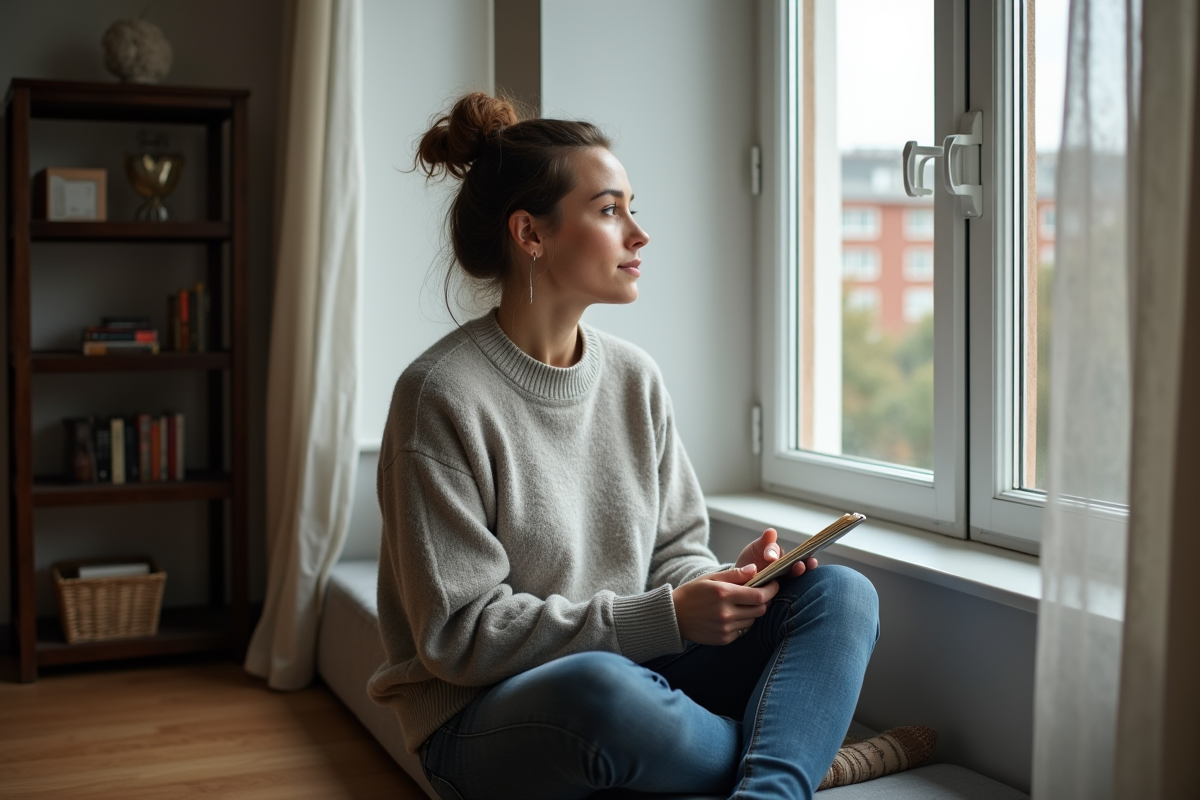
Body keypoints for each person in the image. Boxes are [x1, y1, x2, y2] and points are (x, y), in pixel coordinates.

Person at [368, 92, 879, 800]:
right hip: (485, 715)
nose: (638, 234)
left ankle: (767, 790)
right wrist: (666, 617)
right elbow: (460, 635)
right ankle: (783, 752)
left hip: (645, 671)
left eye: (632, 208)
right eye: (610, 210)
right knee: (599, 690)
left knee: (838, 594)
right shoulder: (439, 395)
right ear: (531, 234)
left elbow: (676, 552)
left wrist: (731, 586)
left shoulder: (635, 377)